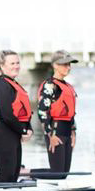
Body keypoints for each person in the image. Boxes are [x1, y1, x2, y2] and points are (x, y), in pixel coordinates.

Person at [0, 49, 33, 182]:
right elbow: (7, 115)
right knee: (7, 177)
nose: (16, 66)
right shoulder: (1, 85)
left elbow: (24, 112)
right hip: (2, 135)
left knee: (13, 176)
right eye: (12, 63)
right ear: (2, 66)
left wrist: (29, 129)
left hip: (13, 135)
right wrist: (23, 131)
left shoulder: (13, 84)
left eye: (17, 63)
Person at [33, 50, 78, 179]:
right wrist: (49, 134)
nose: (68, 67)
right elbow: (42, 111)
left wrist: (74, 132)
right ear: (55, 65)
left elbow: (71, 113)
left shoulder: (68, 86)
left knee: (64, 173)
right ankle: (25, 173)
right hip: (55, 132)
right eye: (64, 64)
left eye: (69, 64)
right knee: (57, 173)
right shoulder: (49, 85)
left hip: (67, 132)